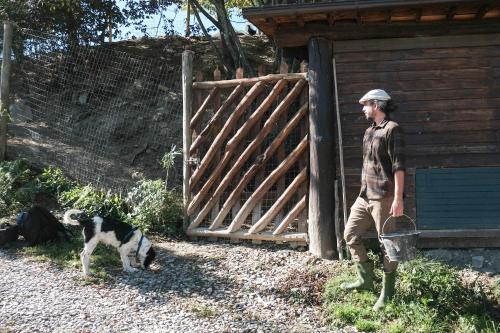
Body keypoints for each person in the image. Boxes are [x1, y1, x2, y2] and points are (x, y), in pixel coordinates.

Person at [340, 89, 406, 311]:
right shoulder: (369, 131)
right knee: (350, 235)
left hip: (384, 198)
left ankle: (388, 292)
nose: (363, 108)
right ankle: (365, 280)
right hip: (364, 196)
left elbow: (399, 167)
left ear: (377, 105)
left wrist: (397, 199)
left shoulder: (392, 130)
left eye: (365, 104)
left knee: (388, 244)